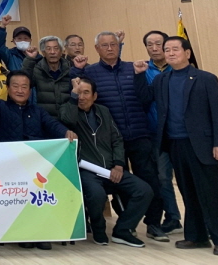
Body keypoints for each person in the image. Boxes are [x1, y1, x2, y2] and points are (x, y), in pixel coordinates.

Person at [135, 37, 218, 256]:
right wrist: (140, 75)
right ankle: (197, 237)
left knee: (211, 193)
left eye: (175, 49)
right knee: (188, 193)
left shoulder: (206, 78)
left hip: (203, 145)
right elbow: (144, 98)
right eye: (167, 50)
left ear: (187, 53)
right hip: (174, 144)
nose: (170, 53)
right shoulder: (161, 80)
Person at [71, 31, 168, 242]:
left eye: (113, 44)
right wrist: (76, 70)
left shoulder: (134, 68)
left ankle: (153, 223)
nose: (109, 48)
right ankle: (126, 225)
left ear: (119, 46)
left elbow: (146, 98)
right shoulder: (90, 72)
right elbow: (78, 93)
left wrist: (140, 75)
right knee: (119, 183)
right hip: (111, 140)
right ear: (97, 49)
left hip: (140, 134)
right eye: (104, 45)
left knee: (151, 180)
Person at [0, 68, 75, 250]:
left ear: (30, 90)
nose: (20, 90)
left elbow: (52, 125)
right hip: (9, 166)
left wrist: (65, 132)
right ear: (8, 88)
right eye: (15, 86)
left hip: (34, 166)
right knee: (17, 198)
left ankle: (40, 233)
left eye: (24, 87)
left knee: (40, 195)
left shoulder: (38, 111)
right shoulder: (0, 108)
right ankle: (23, 233)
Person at [59, 77, 153, 248]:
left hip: (110, 169)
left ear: (94, 96)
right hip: (86, 170)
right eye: (79, 93)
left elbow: (117, 139)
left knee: (144, 190)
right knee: (97, 195)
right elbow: (68, 120)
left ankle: (123, 229)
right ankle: (98, 229)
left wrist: (118, 164)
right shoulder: (69, 109)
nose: (81, 97)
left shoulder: (104, 111)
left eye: (86, 93)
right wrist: (73, 95)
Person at [142, 30, 182, 234]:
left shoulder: (180, 69)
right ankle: (173, 217)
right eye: (150, 44)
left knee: (187, 178)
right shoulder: (142, 70)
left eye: (159, 44)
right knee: (164, 177)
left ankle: (199, 219)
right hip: (156, 133)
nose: (154, 48)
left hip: (181, 133)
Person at [21, 36, 72, 117]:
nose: (52, 52)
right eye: (48, 49)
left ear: (61, 51)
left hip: (67, 118)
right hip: (46, 119)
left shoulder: (69, 69)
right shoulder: (37, 70)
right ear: (43, 53)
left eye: (56, 48)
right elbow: (24, 82)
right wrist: (30, 59)